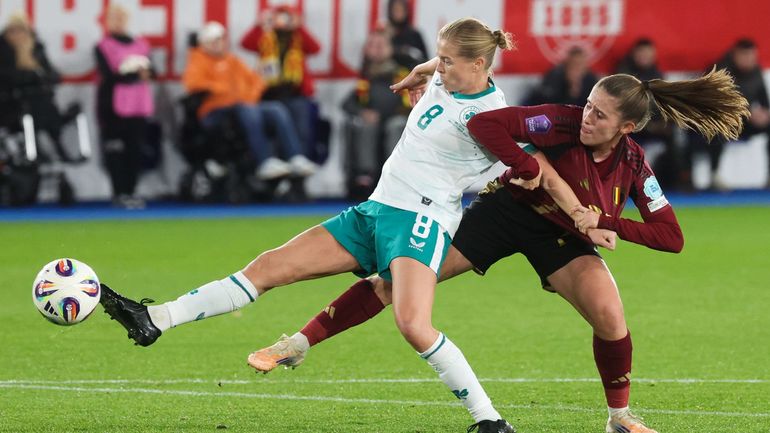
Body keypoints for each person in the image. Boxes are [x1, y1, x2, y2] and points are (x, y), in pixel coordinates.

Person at [100, 17, 539, 432]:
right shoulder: (447, 78)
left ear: (478, 64)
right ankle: (156, 317)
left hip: (421, 221)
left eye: (446, 60)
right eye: (438, 57)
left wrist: (571, 205)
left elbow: (532, 160)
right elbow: (433, 69)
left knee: (413, 325)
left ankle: (489, 419)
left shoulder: (489, 117)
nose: (437, 67)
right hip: (375, 210)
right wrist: (418, 74)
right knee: (270, 266)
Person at [248, 70, 749, 433]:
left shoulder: (634, 165)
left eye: (600, 114)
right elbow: (488, 126)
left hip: (561, 239)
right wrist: (525, 164)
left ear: (627, 129)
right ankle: (298, 343)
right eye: (589, 104)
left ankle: (619, 419)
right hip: (505, 212)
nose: (587, 117)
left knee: (610, 317)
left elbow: (672, 237)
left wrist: (606, 222)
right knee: (399, 281)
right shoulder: (559, 121)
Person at [182, 21, 318, 181]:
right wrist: (228, 92)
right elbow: (193, 84)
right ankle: (264, 160)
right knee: (248, 110)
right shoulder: (198, 61)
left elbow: (256, 81)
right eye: (214, 41)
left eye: (221, 40)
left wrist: (248, 96)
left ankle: (295, 157)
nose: (219, 44)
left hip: (243, 107)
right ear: (204, 44)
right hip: (215, 112)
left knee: (275, 109)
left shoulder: (232, 60)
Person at [687, 38, 770, 190]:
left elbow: (764, 103)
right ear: (735, 54)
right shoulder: (719, 71)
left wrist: (764, 115)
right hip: (715, 120)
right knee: (719, 127)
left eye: (752, 56)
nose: (748, 60)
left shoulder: (756, 72)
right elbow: (716, 105)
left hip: (745, 122)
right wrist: (749, 112)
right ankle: (714, 175)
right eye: (745, 56)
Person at [240, 6, 321, 158]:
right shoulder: (265, 36)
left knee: (301, 131)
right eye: (279, 17)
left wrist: (300, 27)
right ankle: (274, 167)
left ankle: (299, 167)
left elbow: (315, 48)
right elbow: (246, 43)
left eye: (287, 18)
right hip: (269, 94)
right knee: (271, 132)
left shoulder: (297, 38)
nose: (283, 22)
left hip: (295, 94)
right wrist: (259, 25)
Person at [94, 4, 154, 209]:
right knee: (116, 151)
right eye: (113, 18)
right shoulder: (103, 46)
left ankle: (131, 190)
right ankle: (118, 192)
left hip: (138, 107)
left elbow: (152, 71)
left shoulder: (141, 45)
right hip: (114, 108)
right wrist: (132, 74)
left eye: (121, 17)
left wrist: (140, 73)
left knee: (135, 151)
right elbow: (109, 75)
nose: (117, 21)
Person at [342, 28, 412, 200]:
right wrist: (362, 112)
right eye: (373, 45)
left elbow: (412, 102)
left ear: (390, 48)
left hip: (397, 119)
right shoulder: (366, 78)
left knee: (395, 125)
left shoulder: (401, 74)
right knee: (366, 124)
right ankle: (366, 175)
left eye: (382, 45)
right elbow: (346, 104)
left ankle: (394, 176)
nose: (378, 49)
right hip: (374, 124)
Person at [0, 10, 76, 161]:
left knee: (46, 108)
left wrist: (42, 76)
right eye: (13, 31)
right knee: (31, 109)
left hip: (41, 103)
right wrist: (29, 75)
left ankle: (55, 146)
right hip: (13, 105)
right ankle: (38, 150)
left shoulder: (36, 50)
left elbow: (53, 74)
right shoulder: (3, 52)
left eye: (21, 30)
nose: (17, 35)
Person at [615, 38, 681, 189]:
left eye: (648, 53)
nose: (645, 57)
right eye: (642, 53)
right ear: (634, 54)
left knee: (675, 133)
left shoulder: (656, 74)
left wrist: (667, 121)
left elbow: (663, 104)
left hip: (653, 124)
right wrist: (650, 126)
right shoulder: (623, 76)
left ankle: (674, 180)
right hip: (631, 126)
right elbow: (625, 108)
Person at [526, 46, 599, 106]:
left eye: (581, 64)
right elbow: (545, 101)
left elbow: (594, 103)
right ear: (567, 64)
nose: (577, 68)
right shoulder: (555, 76)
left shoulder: (591, 79)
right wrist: (569, 89)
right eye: (574, 64)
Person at [385, 0, 428, 68]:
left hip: (411, 73)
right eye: (396, 10)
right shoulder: (384, 32)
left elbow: (425, 59)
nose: (398, 13)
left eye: (401, 10)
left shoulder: (414, 34)